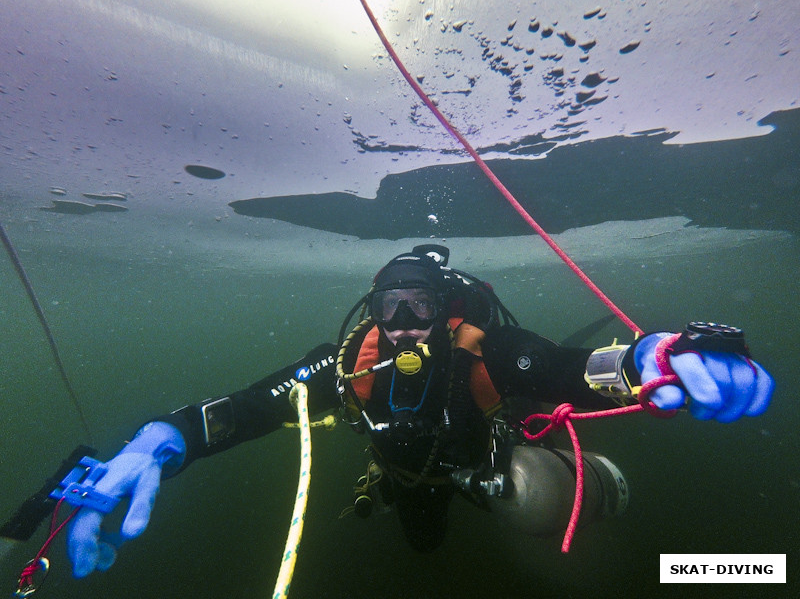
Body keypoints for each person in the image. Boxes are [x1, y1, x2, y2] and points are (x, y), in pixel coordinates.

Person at [64, 245, 774, 577]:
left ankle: (583, 478)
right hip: (414, 479)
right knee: (426, 548)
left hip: (488, 458)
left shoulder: (485, 349)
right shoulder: (344, 365)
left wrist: (644, 362)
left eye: (420, 307)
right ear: (371, 314)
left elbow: (561, 369)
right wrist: (165, 439)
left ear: (443, 310)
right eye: (390, 309)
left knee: (529, 500)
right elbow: (251, 408)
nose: (404, 324)